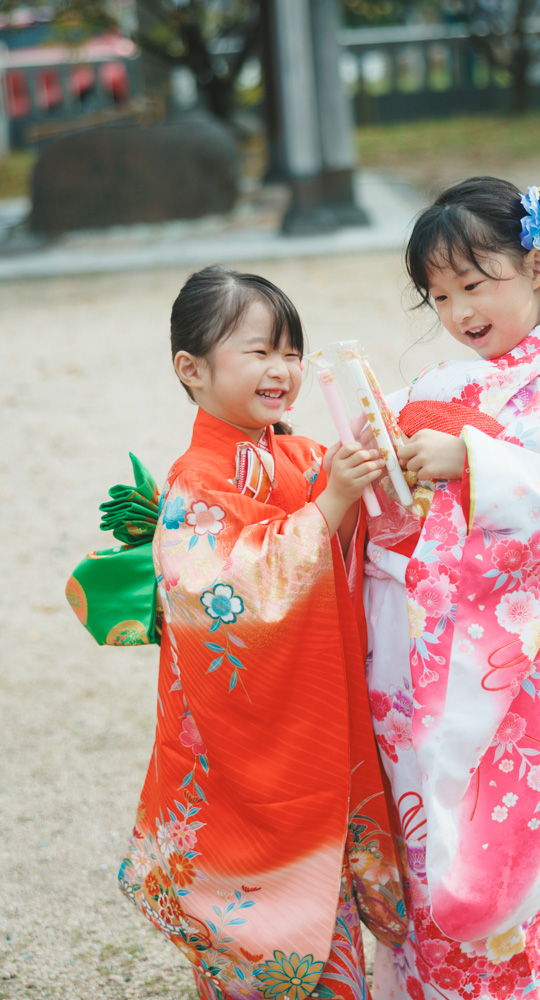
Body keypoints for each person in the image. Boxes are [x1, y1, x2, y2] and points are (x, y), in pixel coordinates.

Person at [363, 178, 540, 1000]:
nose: (458, 311)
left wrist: (472, 461)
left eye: (473, 284)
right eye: (439, 296)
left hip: (509, 655)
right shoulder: (446, 380)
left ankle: (525, 983)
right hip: (421, 642)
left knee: (507, 817)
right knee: (423, 807)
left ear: (535, 268)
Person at [117, 266, 406, 1000]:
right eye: (259, 351)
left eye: (291, 352)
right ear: (192, 369)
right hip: (241, 746)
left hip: (311, 726)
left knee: (327, 911)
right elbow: (223, 594)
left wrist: (368, 481)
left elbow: (355, 541)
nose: (281, 369)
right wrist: (328, 507)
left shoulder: (300, 456)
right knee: (248, 915)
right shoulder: (197, 480)